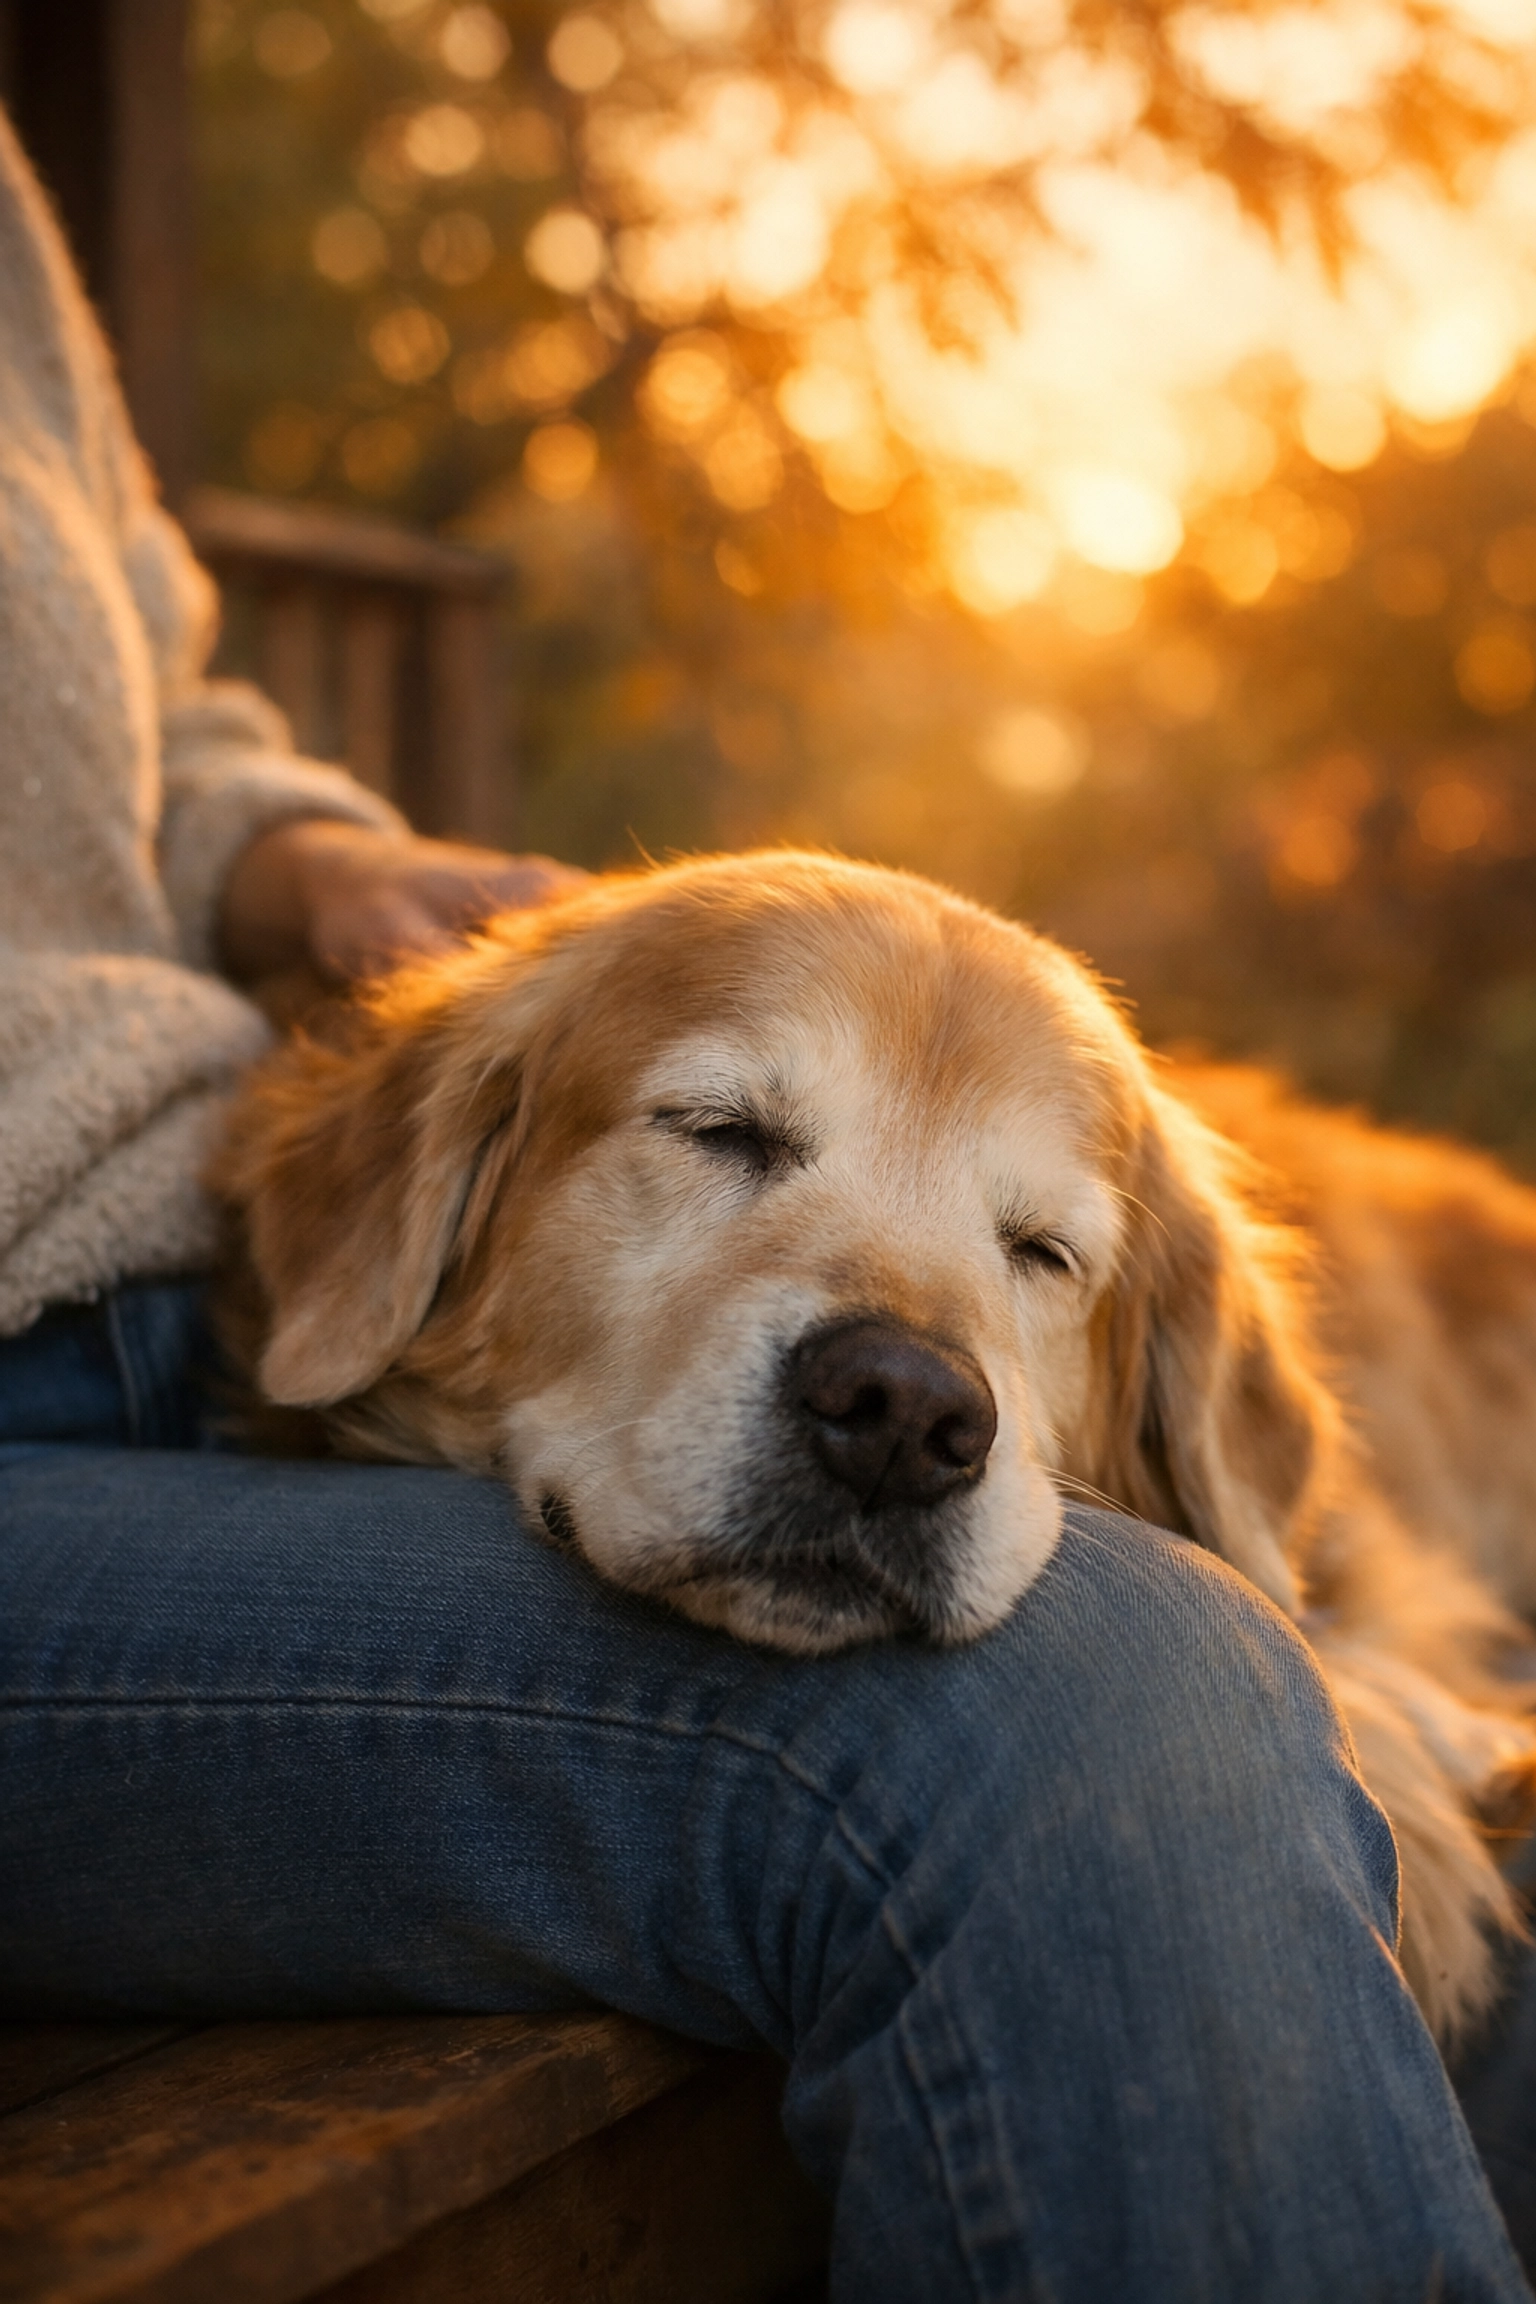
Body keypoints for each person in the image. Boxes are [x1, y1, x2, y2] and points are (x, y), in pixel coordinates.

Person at [0, 104, 1531, 2302]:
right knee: (1107, 1712)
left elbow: (134, 692)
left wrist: (292, 848)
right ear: (427, 1193)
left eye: (1033, 1253)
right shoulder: (433, 1153)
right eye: (729, 1138)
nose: (909, 1372)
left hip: (186, 1356)